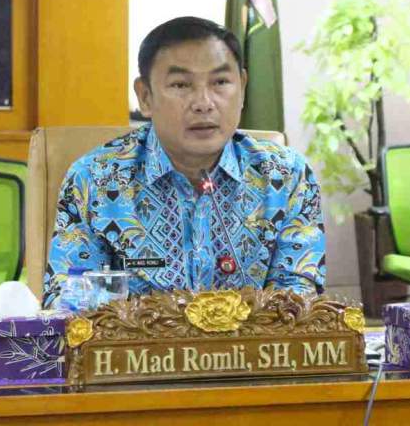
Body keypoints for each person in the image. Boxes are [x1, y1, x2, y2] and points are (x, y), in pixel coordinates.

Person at [42, 16, 325, 308]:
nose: (203, 103)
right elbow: (69, 303)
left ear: (242, 87)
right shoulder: (96, 179)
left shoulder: (285, 177)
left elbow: (298, 301)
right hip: (135, 340)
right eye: (180, 85)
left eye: (220, 82)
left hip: (256, 340)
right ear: (145, 96)